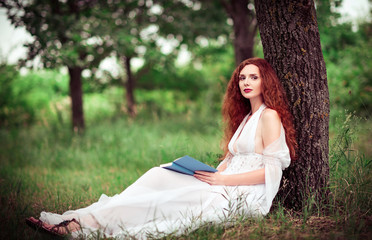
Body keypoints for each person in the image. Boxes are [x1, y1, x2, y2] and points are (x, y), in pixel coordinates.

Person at [26, 58, 297, 239]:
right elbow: (231, 158)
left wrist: (220, 180)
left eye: (254, 77)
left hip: (244, 195)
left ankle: (79, 227)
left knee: (163, 202)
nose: (246, 83)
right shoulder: (247, 118)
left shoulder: (269, 116)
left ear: (266, 82)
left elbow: (269, 172)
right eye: (242, 78)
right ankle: (85, 216)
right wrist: (207, 173)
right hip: (222, 181)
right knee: (160, 174)